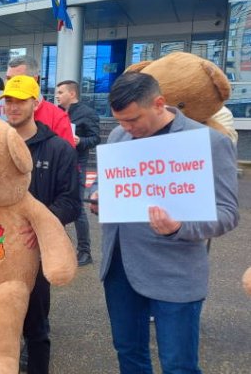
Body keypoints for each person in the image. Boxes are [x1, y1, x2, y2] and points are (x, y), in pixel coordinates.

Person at [89, 72, 239, 373]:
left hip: (175, 271)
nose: (125, 128)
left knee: (178, 364)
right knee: (128, 352)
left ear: (159, 104)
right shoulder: (120, 135)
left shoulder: (209, 142)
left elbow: (228, 213)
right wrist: (98, 196)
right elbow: (114, 184)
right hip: (120, 266)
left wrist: (180, 227)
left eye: (133, 120)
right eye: (120, 120)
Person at [0, 75, 80, 374]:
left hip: (34, 251)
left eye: (20, 99)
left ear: (36, 102)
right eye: (8, 100)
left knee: (36, 329)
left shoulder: (58, 149)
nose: (13, 106)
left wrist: (40, 225)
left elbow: (70, 202)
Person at [55, 80, 100, 266]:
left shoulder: (87, 113)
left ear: (72, 94)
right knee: (58, 205)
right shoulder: (56, 112)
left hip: (77, 165)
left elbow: (95, 138)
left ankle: (85, 251)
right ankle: (59, 249)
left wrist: (80, 140)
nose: (56, 95)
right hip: (58, 163)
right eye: (56, 92)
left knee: (78, 208)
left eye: (60, 92)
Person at [6, 56, 75, 148]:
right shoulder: (0, 113)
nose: (11, 84)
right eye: (8, 79)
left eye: (18, 79)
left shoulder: (57, 118)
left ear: (35, 79)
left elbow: (66, 157)